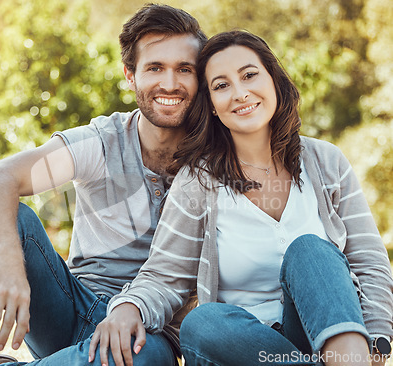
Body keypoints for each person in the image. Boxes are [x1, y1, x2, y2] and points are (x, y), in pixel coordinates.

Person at [0, 4, 207, 366]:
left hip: (148, 331)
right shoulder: (101, 143)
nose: (170, 83)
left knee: (144, 360)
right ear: (130, 75)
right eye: (155, 67)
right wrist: (9, 262)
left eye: (184, 69)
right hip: (70, 307)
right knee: (14, 220)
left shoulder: (216, 160)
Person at [92, 30, 393, 366]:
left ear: (274, 81)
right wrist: (128, 306)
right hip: (241, 350)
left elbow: (370, 263)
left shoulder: (326, 162)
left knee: (311, 251)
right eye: (221, 86)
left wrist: (377, 345)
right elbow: (164, 276)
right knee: (202, 322)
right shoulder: (198, 181)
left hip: (328, 346)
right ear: (213, 107)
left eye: (250, 75)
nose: (239, 93)